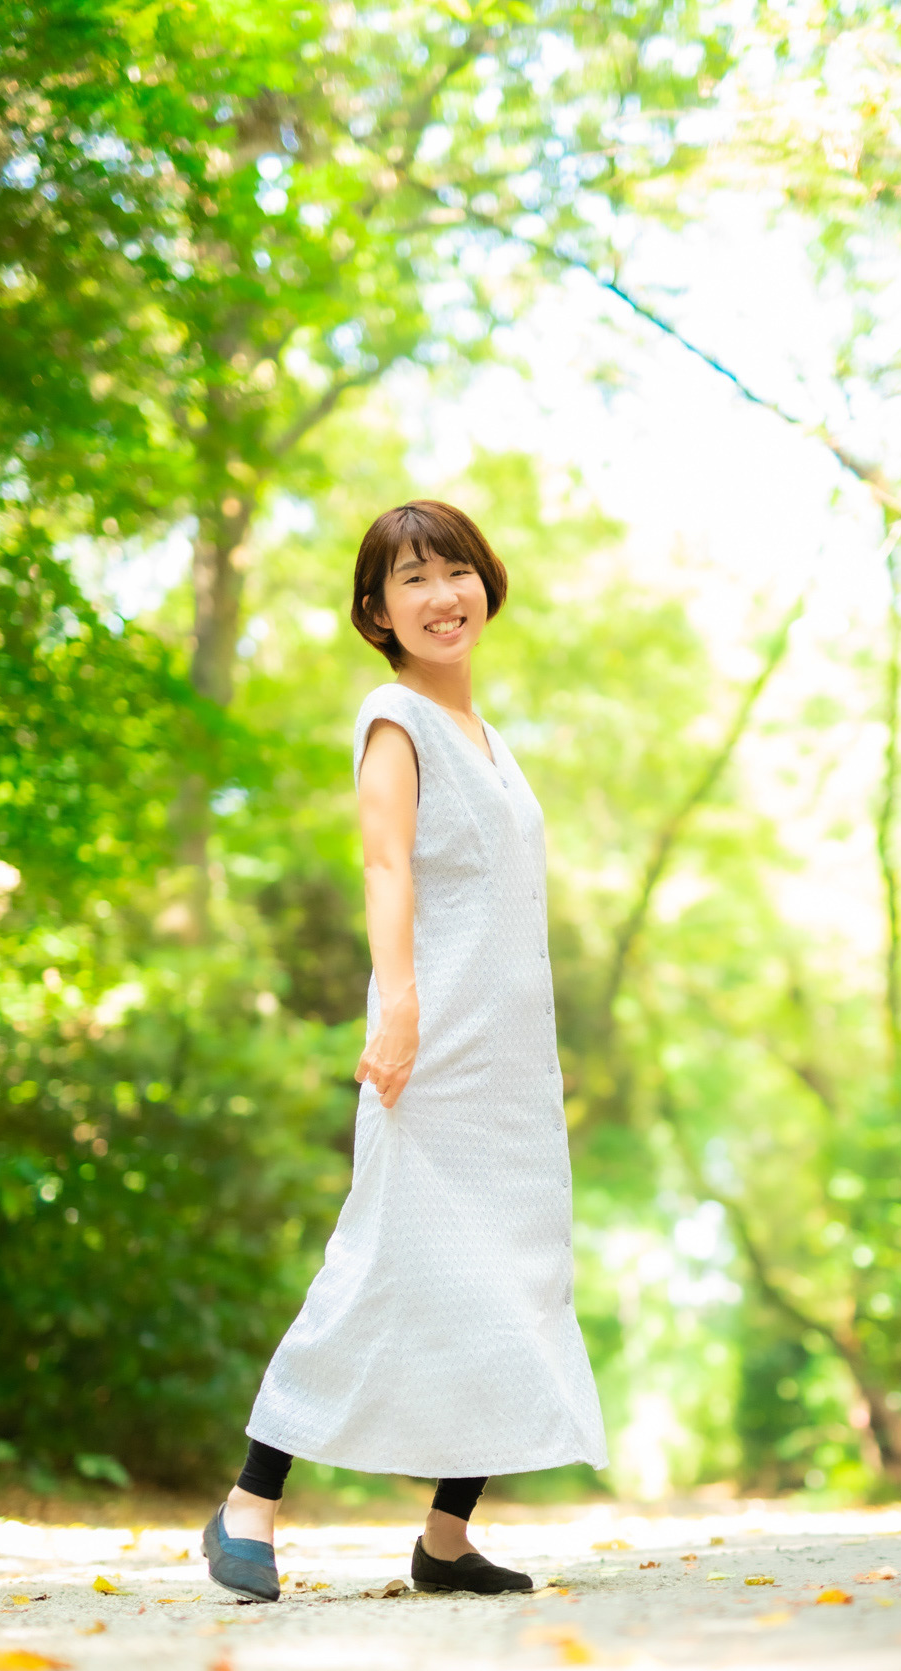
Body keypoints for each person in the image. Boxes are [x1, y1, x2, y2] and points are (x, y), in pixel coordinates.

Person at [202, 500, 608, 1602]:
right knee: (378, 1261)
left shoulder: (494, 741)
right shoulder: (396, 719)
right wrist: (399, 1006)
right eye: (413, 579)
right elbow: (385, 865)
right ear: (377, 611)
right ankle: (250, 1503)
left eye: (456, 571)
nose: (441, 595)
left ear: (487, 583)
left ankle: (445, 1538)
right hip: (430, 1051)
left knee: (514, 1278)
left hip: (510, 1065)